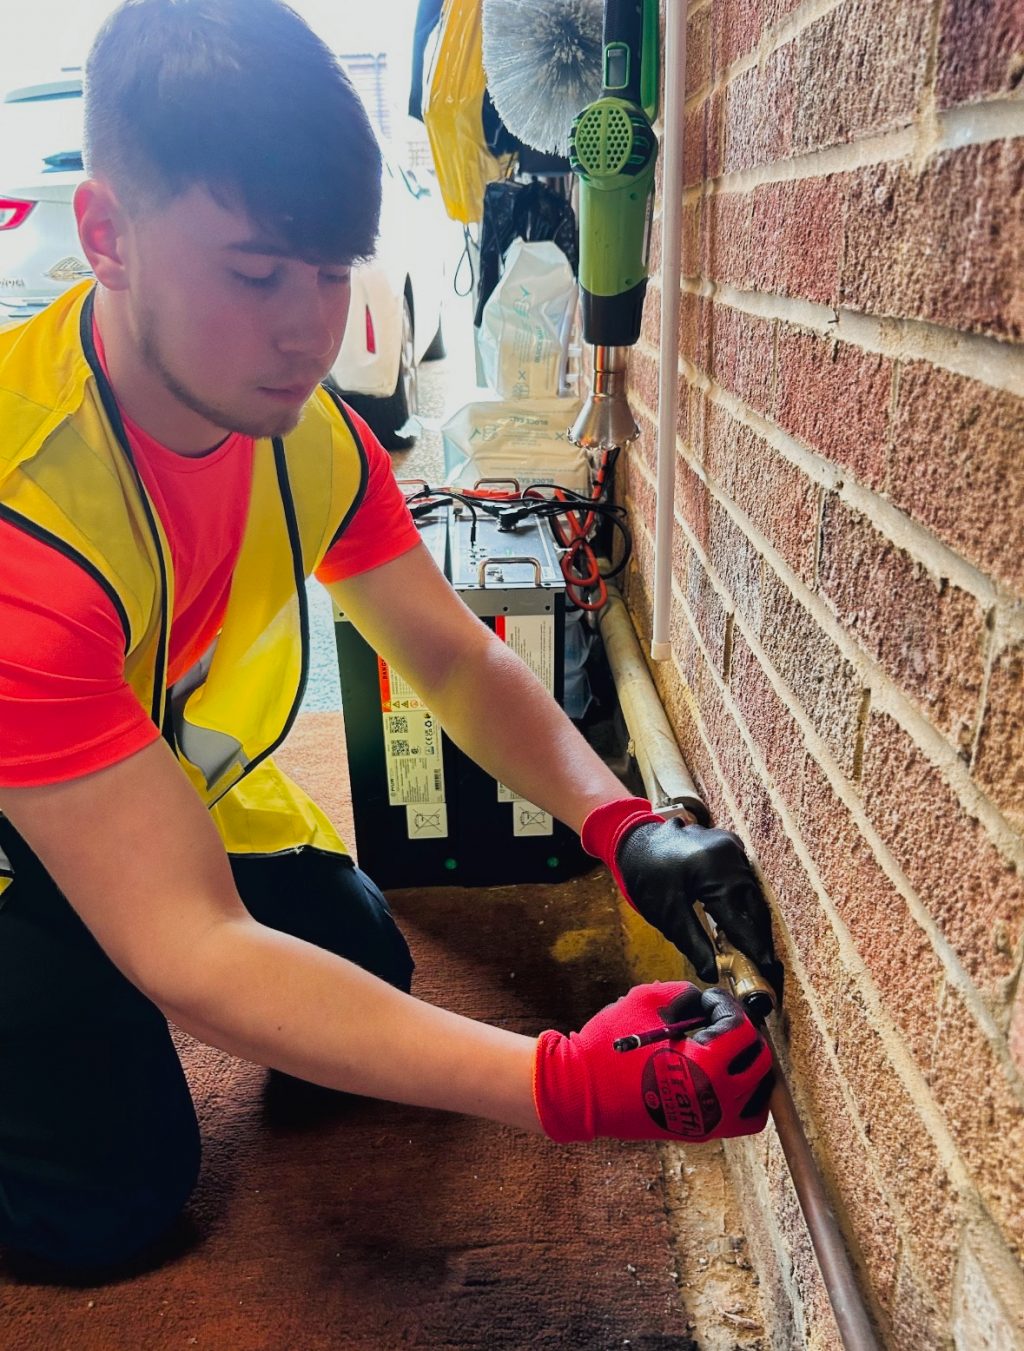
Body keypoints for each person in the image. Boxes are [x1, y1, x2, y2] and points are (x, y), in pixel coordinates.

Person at [0, 0, 781, 1274]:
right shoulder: (21, 523)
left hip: (138, 778)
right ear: (107, 237)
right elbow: (190, 945)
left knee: (359, 964)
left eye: (331, 270)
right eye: (256, 273)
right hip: (10, 840)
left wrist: (621, 825)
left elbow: (453, 656)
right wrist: (559, 1084)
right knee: (109, 1207)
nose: (307, 329)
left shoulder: (303, 431)